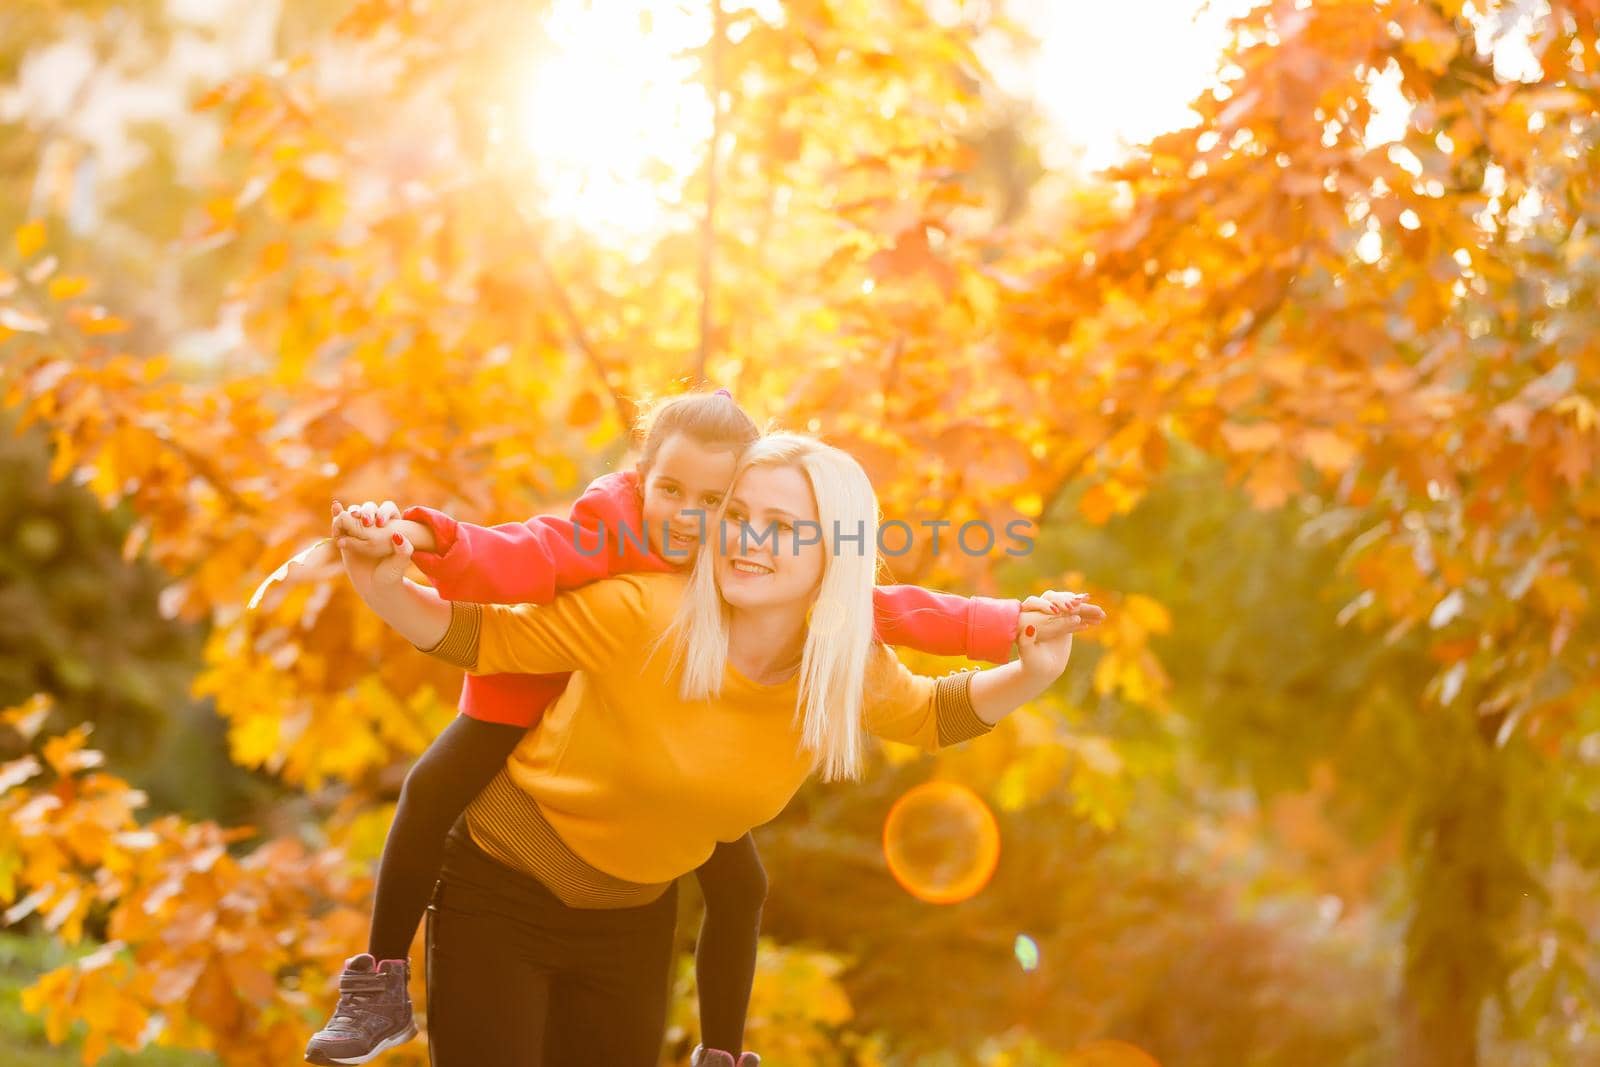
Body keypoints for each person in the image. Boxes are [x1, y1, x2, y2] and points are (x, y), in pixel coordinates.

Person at [305, 392, 1068, 1066]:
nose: (744, 538)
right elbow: (478, 633)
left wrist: (1031, 667)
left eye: (780, 526)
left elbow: (933, 714)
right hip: (500, 890)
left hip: (633, 923)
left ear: (831, 551)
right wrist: (383, 579)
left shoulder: (843, 663)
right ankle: (378, 983)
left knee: (741, 886)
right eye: (738, 517)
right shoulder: (644, 608)